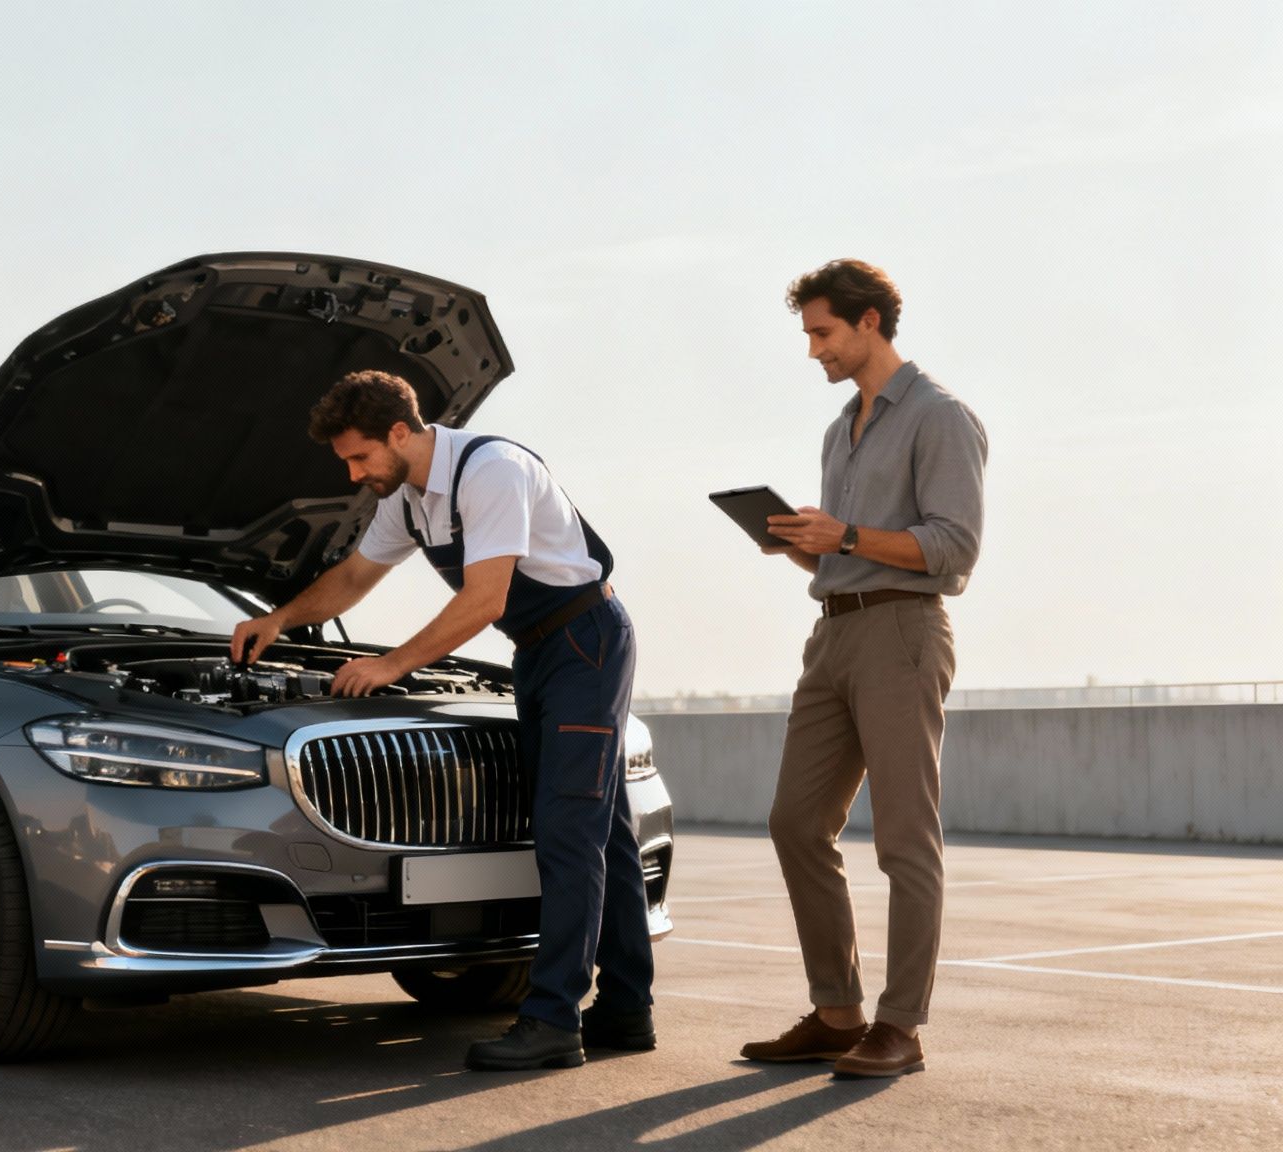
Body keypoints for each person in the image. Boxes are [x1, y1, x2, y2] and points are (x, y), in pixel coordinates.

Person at [230, 369, 652, 1072]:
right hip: (541, 652)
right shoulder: (409, 498)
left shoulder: (492, 470)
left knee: (568, 830)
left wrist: (392, 664)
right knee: (602, 832)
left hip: (585, 642)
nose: (355, 471)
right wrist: (280, 618)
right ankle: (628, 1011)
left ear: (400, 432)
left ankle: (551, 1021)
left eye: (360, 456)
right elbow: (355, 578)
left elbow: (486, 598)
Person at [745, 260, 988, 1079]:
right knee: (794, 822)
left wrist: (844, 535)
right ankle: (839, 1010)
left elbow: (953, 551)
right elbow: (844, 549)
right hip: (834, 633)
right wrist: (803, 543)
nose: (814, 350)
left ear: (871, 323)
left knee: (904, 840)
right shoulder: (838, 429)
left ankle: (901, 1026)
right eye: (810, 334)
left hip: (902, 634)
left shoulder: (940, 417)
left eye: (823, 332)